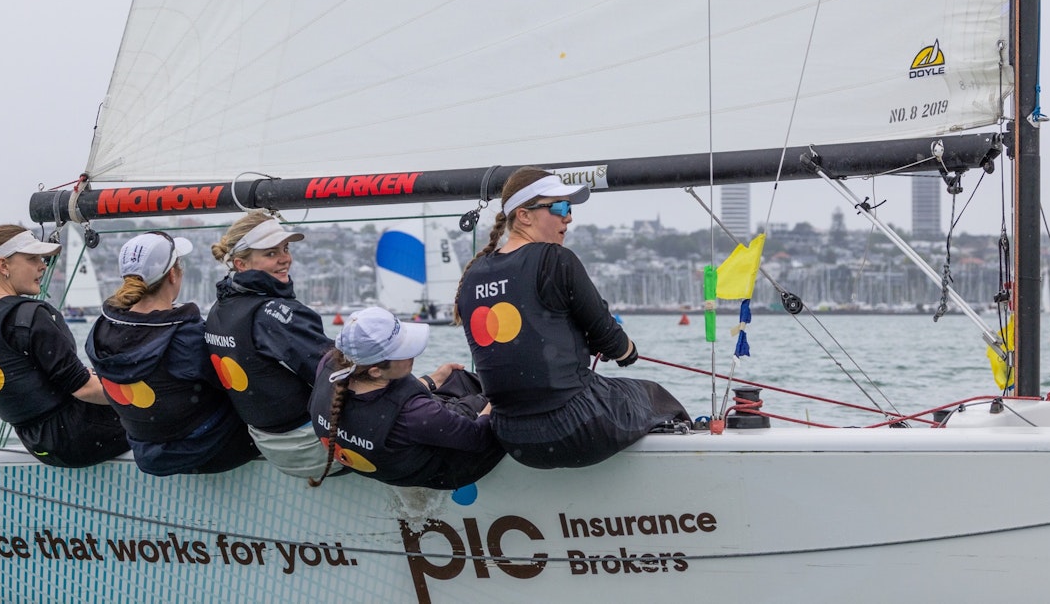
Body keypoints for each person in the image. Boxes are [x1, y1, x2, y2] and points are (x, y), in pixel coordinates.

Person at [455, 167, 690, 469]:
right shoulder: (556, 259)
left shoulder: (472, 275)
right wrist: (627, 351)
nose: (569, 217)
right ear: (524, 215)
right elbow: (612, 341)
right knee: (658, 398)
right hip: (575, 426)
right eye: (561, 208)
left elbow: (528, 338)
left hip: (514, 439)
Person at [0, 224, 129, 467]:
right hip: (77, 437)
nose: (43, 265)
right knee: (171, 410)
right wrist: (151, 401)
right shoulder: (31, 315)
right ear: (3, 266)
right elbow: (82, 389)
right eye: (32, 258)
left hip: (38, 445)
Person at [86, 231, 260, 476]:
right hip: (208, 451)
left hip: (148, 453)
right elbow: (240, 384)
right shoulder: (187, 337)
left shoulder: (101, 330)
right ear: (172, 275)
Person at [307, 307, 505, 489]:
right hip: (442, 470)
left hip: (393, 457)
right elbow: (478, 437)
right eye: (404, 352)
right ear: (375, 371)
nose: (412, 355)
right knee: (490, 392)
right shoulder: (415, 413)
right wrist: (500, 393)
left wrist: (433, 379)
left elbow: (379, 401)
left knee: (456, 378)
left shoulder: (332, 363)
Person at [204, 213, 335, 478]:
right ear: (241, 264)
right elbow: (341, 376)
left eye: (285, 249)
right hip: (314, 450)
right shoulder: (275, 315)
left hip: (271, 446)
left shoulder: (219, 309)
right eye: (271, 253)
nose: (285, 258)